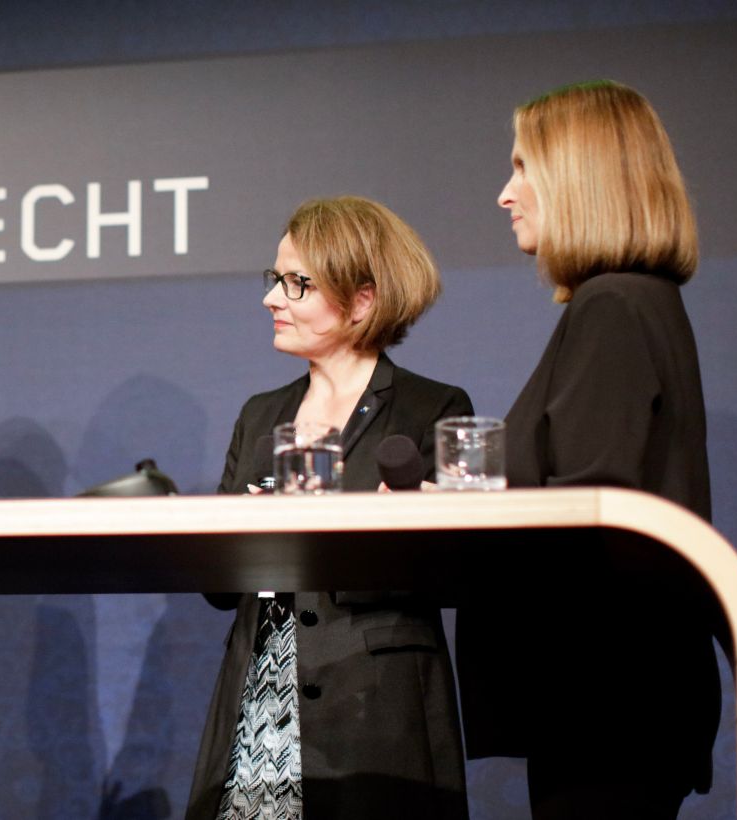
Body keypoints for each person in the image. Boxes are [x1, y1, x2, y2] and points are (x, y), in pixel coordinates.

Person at [458, 80, 717, 819]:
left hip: (609, 697)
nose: (505, 195)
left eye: (521, 168)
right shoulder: (639, 299)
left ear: (579, 177)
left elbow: (585, 513)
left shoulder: (611, 305)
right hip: (626, 695)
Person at [186, 197, 472, 820]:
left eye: (298, 284)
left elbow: (457, 576)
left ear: (362, 300)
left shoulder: (432, 409)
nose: (272, 299)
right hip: (261, 709)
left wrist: (386, 536)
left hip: (377, 712)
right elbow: (216, 586)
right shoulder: (261, 414)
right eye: (276, 280)